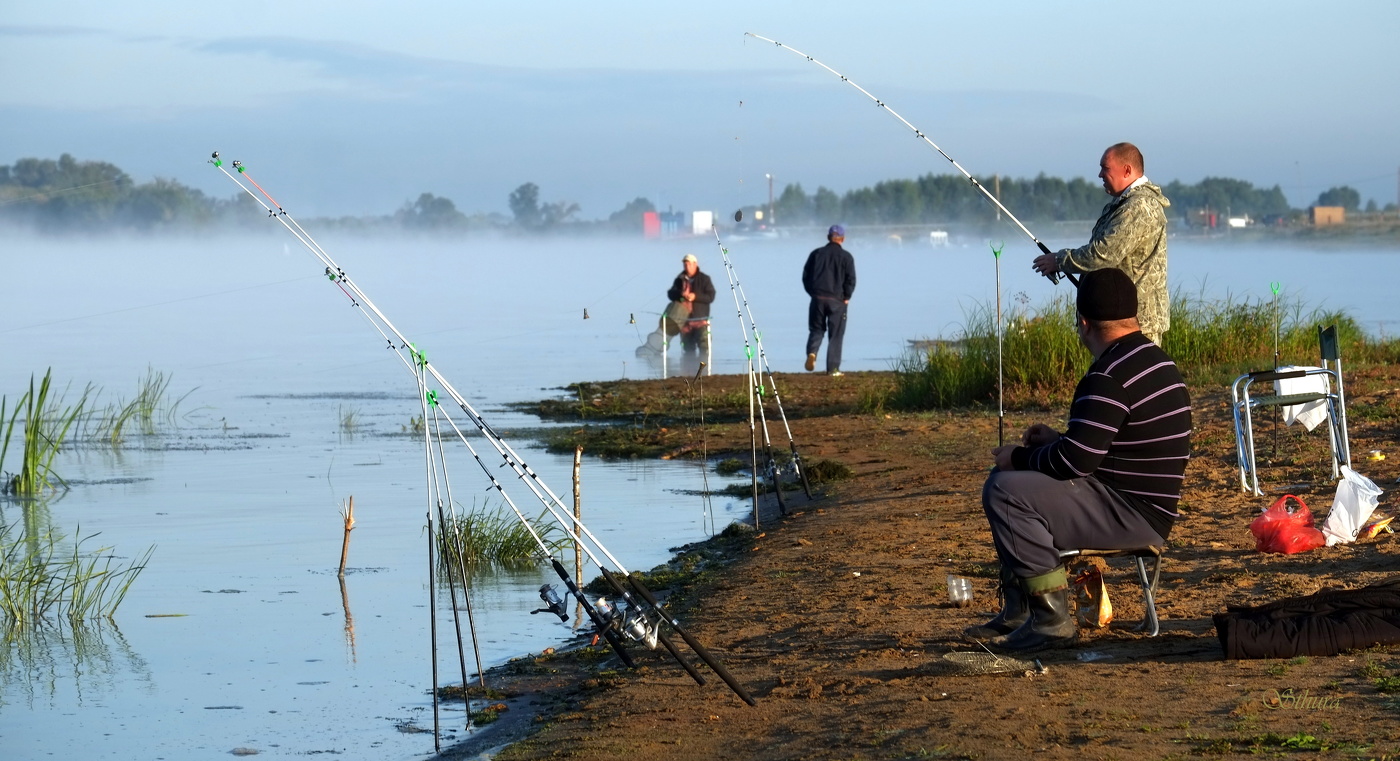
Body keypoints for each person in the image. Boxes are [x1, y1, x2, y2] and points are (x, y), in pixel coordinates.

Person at [966, 268, 1191, 651]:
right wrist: (1054, 441)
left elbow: (1075, 463)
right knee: (1012, 481)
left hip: (1130, 513)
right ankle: (1020, 611)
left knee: (1004, 489)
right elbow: (1112, 447)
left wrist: (1021, 456)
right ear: (1133, 317)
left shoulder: (1108, 374)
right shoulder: (1157, 361)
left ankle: (1050, 620)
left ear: (1084, 323)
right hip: (1144, 505)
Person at [1032, 142, 1171, 345]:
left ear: (1127, 170)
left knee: (1130, 376)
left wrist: (1059, 261)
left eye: (1105, 168)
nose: (1100, 175)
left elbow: (1103, 254)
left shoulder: (1139, 206)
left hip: (1137, 323)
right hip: (1121, 318)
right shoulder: (1123, 204)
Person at [802, 224, 856, 376]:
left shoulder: (816, 254)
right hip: (837, 301)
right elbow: (851, 280)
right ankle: (833, 369)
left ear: (828, 238)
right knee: (836, 334)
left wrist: (812, 293)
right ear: (843, 239)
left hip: (817, 298)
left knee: (816, 329)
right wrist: (847, 297)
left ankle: (812, 353)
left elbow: (806, 276)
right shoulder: (846, 257)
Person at [665, 253, 716, 355]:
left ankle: (705, 370)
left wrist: (695, 296)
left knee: (705, 348)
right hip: (684, 322)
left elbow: (711, 296)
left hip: (700, 320)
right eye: (685, 264)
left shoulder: (705, 279)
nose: (686, 267)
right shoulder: (679, 279)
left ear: (695, 264)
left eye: (689, 264)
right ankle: (689, 369)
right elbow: (670, 294)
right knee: (688, 350)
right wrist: (681, 294)